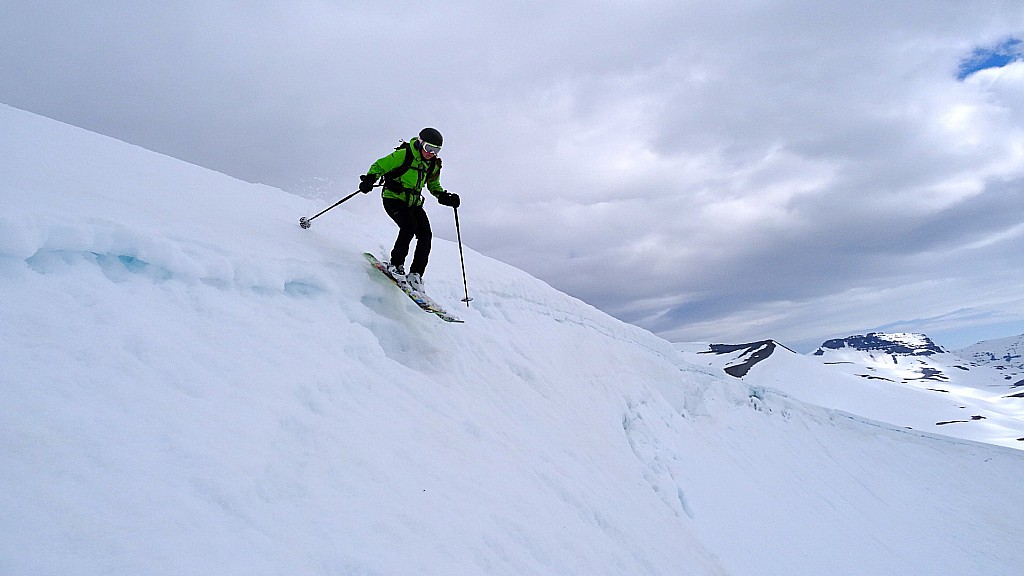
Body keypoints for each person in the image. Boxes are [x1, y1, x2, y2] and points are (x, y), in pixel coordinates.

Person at [359, 127, 460, 293]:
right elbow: (379, 165)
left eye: (436, 150)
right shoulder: (404, 155)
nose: (431, 153)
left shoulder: (433, 165)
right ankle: (396, 265)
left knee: (426, 235)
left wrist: (445, 197)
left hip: (414, 203)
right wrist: (369, 179)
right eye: (429, 148)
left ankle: (416, 275)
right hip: (393, 199)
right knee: (409, 226)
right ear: (420, 143)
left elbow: (434, 186)